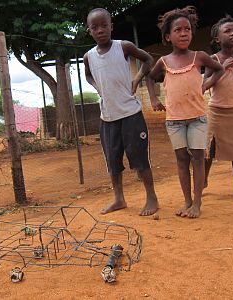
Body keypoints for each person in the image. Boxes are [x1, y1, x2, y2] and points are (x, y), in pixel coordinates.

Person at [146, 6, 224, 218]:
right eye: (178, 30)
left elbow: (220, 69)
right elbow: (150, 77)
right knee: (182, 159)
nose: (183, 33)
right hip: (174, 121)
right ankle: (187, 201)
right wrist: (154, 98)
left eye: (187, 29)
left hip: (197, 118)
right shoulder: (163, 62)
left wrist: (206, 84)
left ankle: (197, 203)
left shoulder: (199, 56)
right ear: (168, 36)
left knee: (198, 158)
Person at [83, 8, 159, 216]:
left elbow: (148, 60)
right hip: (107, 117)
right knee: (112, 160)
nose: (100, 30)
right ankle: (119, 199)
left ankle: (151, 197)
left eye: (104, 25)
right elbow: (88, 75)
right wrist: (97, 86)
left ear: (111, 26)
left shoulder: (123, 46)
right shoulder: (88, 56)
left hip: (131, 114)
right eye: (95, 27)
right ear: (89, 30)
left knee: (139, 157)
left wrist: (136, 79)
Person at [204, 15, 233, 199]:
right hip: (215, 111)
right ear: (217, 39)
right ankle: (203, 180)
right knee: (209, 150)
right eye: (227, 31)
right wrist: (221, 68)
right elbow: (205, 84)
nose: (232, 34)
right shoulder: (212, 58)